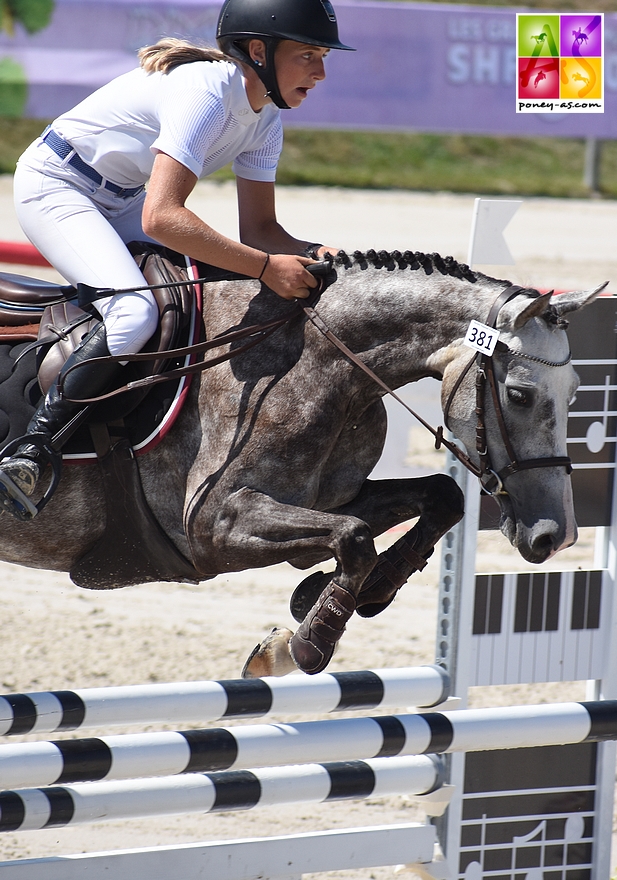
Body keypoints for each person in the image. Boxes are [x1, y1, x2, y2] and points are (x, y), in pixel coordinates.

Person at [0, 0, 354, 520]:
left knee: (197, 291)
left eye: (323, 56)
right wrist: (263, 267)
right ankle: (30, 453)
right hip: (57, 185)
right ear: (258, 51)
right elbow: (162, 218)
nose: (321, 72)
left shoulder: (265, 118)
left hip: (118, 198)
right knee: (135, 313)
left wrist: (309, 251)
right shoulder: (209, 92)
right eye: (308, 55)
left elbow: (261, 231)